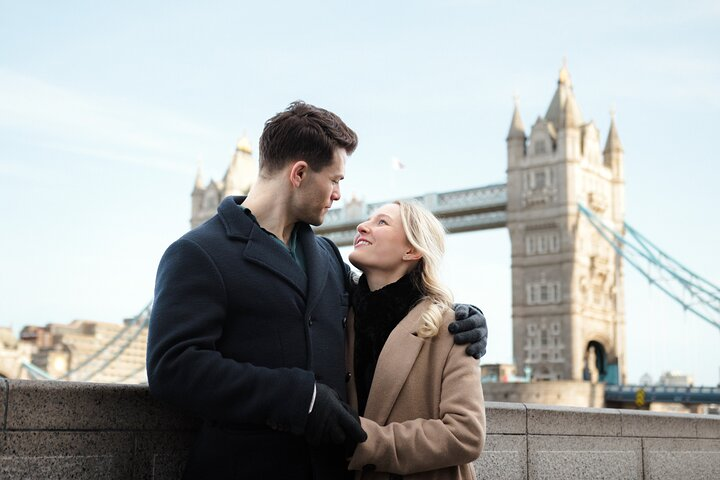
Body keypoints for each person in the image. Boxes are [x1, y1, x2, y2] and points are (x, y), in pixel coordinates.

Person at [146, 101, 488, 479]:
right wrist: (297, 397)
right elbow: (173, 367)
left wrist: (460, 315)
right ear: (300, 173)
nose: (340, 194)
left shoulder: (325, 255)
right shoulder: (198, 252)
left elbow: (383, 297)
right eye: (336, 180)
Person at [345, 201, 485, 479]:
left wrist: (366, 442)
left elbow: (467, 434)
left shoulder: (449, 327)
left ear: (411, 250)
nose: (362, 226)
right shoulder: (338, 318)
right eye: (367, 220)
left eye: (381, 222)